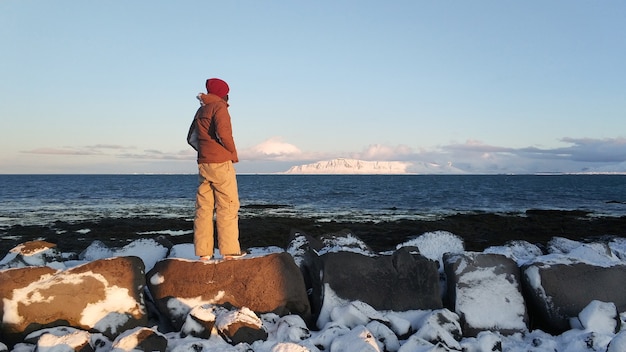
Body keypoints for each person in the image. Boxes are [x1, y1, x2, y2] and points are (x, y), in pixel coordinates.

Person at [187, 78, 245, 260]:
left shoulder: (201, 109)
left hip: (204, 163)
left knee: (204, 207)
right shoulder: (219, 107)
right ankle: (229, 252)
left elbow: (191, 137)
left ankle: (204, 253)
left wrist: (204, 151)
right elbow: (224, 133)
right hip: (220, 163)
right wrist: (232, 153)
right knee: (227, 205)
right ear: (223, 94)